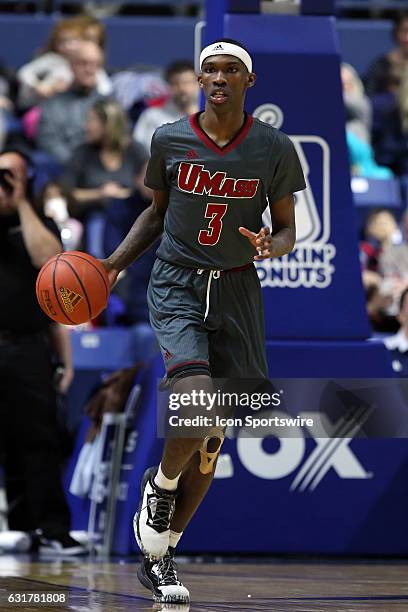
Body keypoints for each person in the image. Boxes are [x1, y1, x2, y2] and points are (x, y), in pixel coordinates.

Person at [102, 38, 306, 604]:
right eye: (209, 70)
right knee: (196, 400)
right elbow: (156, 212)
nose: (218, 79)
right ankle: (161, 485)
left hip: (239, 289)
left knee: (212, 439)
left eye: (229, 71)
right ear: (199, 78)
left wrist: (274, 243)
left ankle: (162, 555)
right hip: (178, 283)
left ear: (249, 81)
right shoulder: (168, 138)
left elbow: (288, 227)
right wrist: (113, 266)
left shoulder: (274, 147)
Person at [0, 149, 84, 555]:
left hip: (27, 348)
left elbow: (49, 261)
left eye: (12, 174)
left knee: (38, 440)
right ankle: (18, 527)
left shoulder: (37, 222)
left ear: (27, 178)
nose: (4, 180)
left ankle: (50, 528)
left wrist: (19, 204)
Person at [62, 98, 147, 256]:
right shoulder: (82, 153)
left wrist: (124, 195)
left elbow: (150, 187)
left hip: (133, 215)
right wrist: (100, 194)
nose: (86, 126)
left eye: (91, 120)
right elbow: (66, 192)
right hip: (96, 216)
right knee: (99, 226)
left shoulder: (135, 150)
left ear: (109, 124)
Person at [17, 17, 111, 111]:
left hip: (76, 108)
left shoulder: (89, 64)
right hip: (43, 106)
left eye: (74, 40)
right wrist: (38, 86)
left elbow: (106, 89)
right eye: (63, 41)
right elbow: (24, 73)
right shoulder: (51, 59)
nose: (68, 46)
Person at [36, 40, 107, 164]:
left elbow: (118, 141)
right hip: (66, 168)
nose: (89, 69)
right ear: (71, 65)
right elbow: (48, 141)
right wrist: (75, 165)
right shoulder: (53, 105)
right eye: (83, 63)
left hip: (102, 171)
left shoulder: (109, 104)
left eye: (95, 64)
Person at [133, 60, 199, 152]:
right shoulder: (152, 116)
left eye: (187, 82)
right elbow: (141, 151)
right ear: (168, 86)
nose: (182, 89)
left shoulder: (215, 117)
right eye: (175, 83)